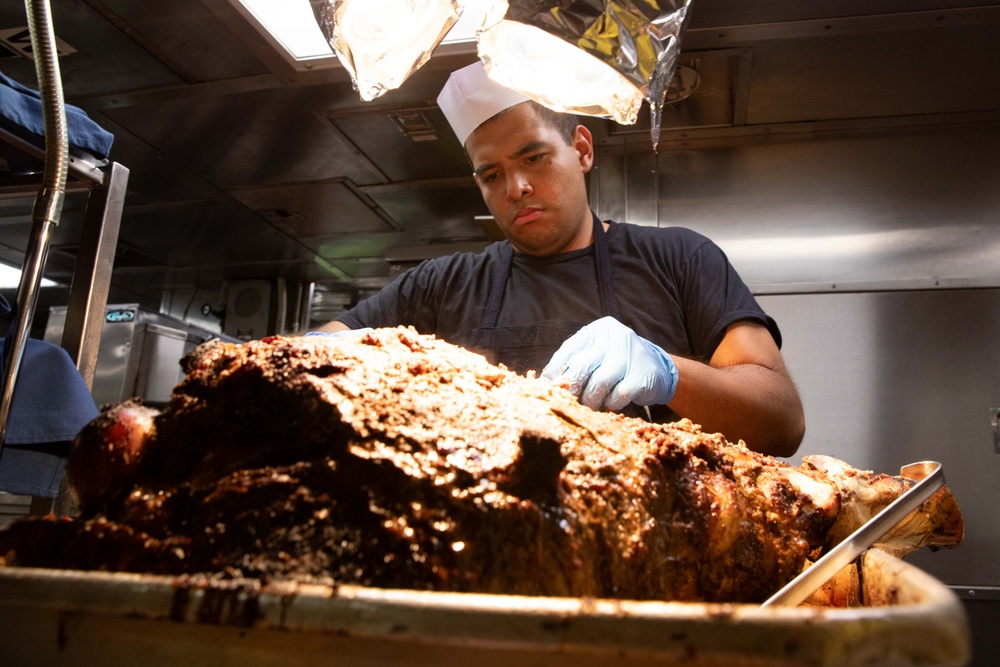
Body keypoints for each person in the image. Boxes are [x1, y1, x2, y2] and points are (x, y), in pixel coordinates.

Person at [315, 61, 804, 457]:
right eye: (491, 175)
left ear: (582, 149)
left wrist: (669, 374)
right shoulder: (441, 285)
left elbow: (782, 420)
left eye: (533, 158)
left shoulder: (680, 259)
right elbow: (318, 351)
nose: (516, 188)